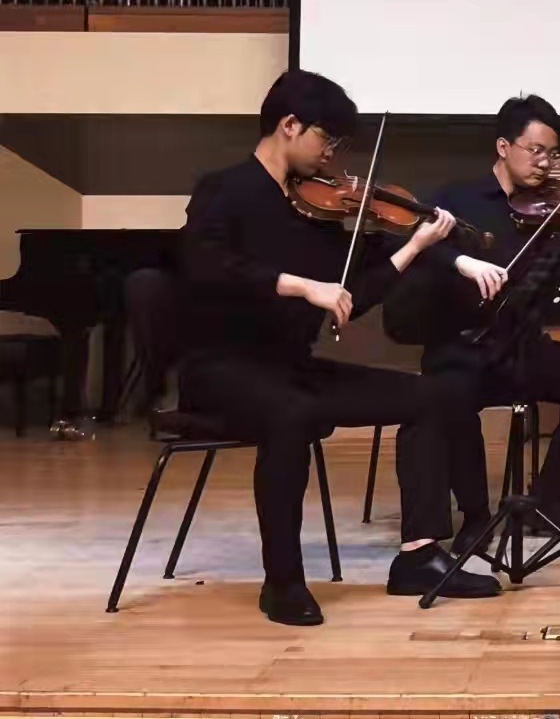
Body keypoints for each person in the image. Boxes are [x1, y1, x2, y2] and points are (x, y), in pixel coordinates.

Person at [178, 70, 503, 626]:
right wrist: (299, 285)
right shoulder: (225, 189)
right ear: (289, 125)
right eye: (326, 140)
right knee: (292, 414)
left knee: (433, 396)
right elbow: (202, 265)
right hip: (220, 368)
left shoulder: (315, 208)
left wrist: (417, 246)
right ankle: (283, 582)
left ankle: (418, 556)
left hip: (291, 367)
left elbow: (356, 294)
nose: (332, 155)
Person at [383, 94, 560, 546]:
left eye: (553, 154)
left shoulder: (555, 210)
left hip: (521, 344)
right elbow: (412, 244)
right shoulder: (456, 198)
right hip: (461, 345)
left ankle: (547, 499)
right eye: (536, 150)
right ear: (504, 147)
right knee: (451, 397)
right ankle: (474, 515)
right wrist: (461, 261)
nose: (545, 163)